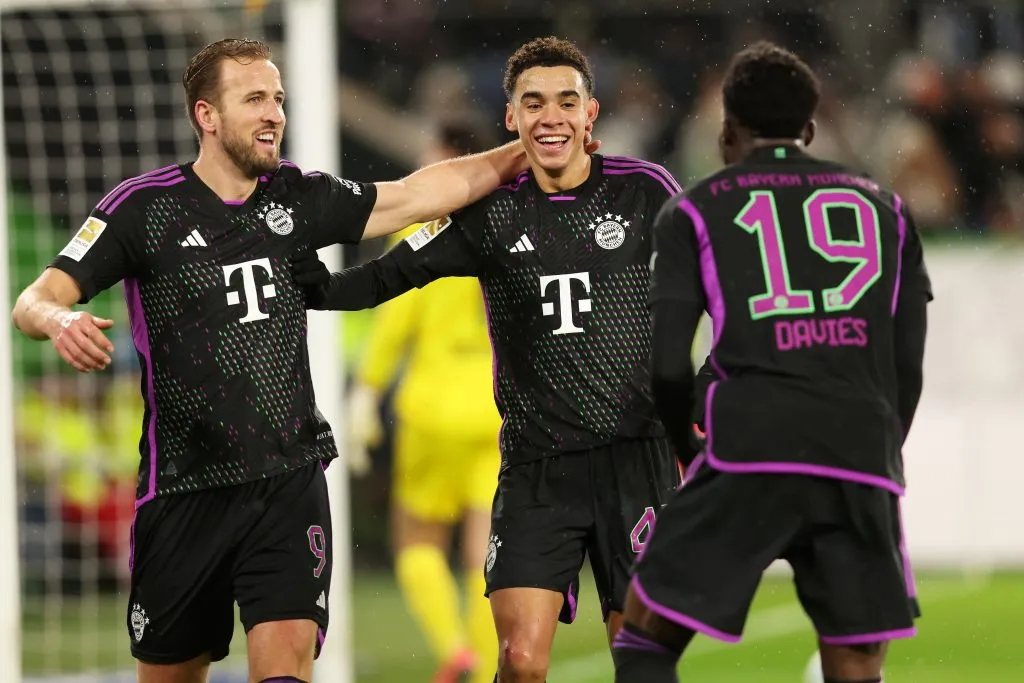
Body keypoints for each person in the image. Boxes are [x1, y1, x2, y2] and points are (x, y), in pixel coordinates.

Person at [10, 37, 538, 683]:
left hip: (287, 478)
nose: (275, 114)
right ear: (206, 115)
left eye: (279, 99)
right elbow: (34, 298)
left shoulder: (297, 197)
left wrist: (522, 149)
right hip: (182, 491)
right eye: (255, 98)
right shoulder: (142, 209)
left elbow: (412, 195)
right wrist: (60, 319)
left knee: (284, 666)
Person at [293, 36, 683, 683]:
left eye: (566, 101)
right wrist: (309, 286)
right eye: (533, 103)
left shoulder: (646, 193)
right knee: (521, 661)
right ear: (511, 118)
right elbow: (391, 276)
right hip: (538, 466)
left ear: (592, 115)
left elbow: (708, 284)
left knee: (641, 659)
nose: (550, 116)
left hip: (634, 460)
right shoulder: (490, 212)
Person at [610, 42, 932, 683]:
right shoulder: (885, 209)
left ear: (726, 129)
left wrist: (689, 447)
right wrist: (878, 445)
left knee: (645, 633)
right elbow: (907, 363)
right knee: (856, 662)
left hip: (750, 449)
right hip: (857, 454)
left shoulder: (695, 211)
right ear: (810, 129)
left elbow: (669, 365)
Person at [347, 118, 502, 683]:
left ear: (446, 159)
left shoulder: (423, 230)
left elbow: (394, 324)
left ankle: (452, 647)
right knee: (487, 551)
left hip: (433, 407)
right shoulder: (504, 222)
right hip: (496, 407)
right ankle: (487, 671)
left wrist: (364, 393)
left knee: (416, 538)